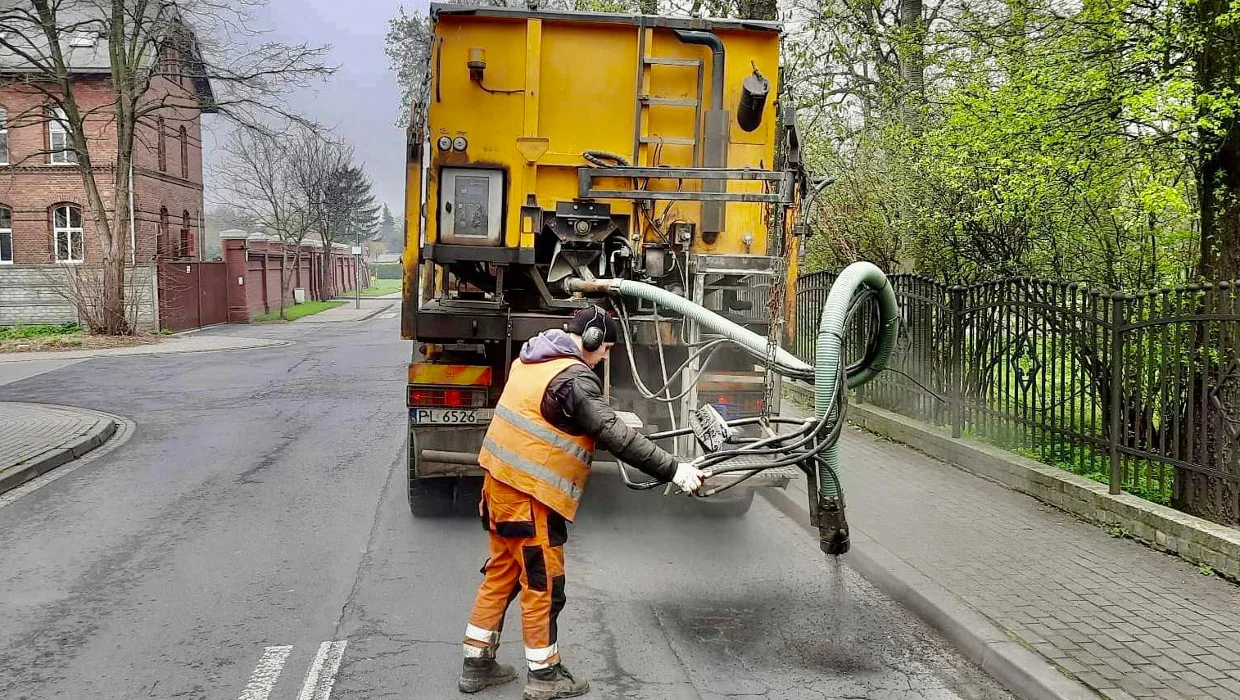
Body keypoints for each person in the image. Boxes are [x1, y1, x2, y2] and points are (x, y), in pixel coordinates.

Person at [459, 305, 706, 700]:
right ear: (590, 340)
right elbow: (615, 435)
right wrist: (675, 470)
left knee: (502, 574)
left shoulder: (532, 359)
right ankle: (544, 676)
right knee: (544, 586)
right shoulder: (573, 379)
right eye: (605, 347)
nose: (605, 356)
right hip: (529, 497)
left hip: (499, 489)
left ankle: (477, 664)